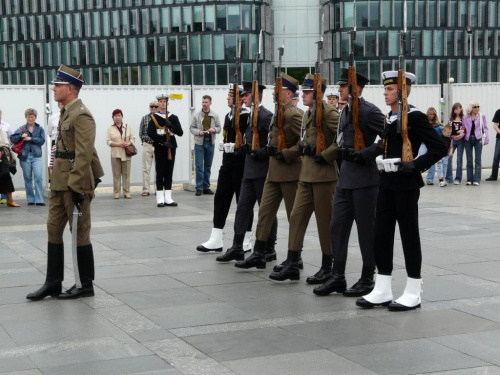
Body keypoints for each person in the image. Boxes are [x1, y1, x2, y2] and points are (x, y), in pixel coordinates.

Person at [356, 71, 447, 311]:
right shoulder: (390, 117)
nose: (385, 93)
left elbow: (439, 147)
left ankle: (414, 289)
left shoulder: (414, 116)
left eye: (390, 89)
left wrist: (415, 165)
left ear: (403, 91)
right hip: (386, 182)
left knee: (409, 236)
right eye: (385, 89)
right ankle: (383, 287)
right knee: (381, 235)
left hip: (406, 184)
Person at [26, 64, 103, 300]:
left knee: (79, 232)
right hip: (60, 181)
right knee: (53, 229)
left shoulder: (81, 114)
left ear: (71, 88)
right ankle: (53, 282)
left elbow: (84, 152)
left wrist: (79, 185)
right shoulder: (66, 112)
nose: (54, 88)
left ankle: (85, 284)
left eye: (58, 85)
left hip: (73, 182)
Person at [313, 68, 385, 297]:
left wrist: (369, 152)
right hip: (345, 178)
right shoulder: (344, 112)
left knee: (366, 231)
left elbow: (389, 137)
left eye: (344, 86)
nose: (339, 89)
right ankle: (337, 276)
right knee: (337, 227)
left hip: (364, 180)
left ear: (356, 88)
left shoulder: (369, 111)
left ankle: (367, 277)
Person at [269, 74, 339, 282]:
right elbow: (303, 141)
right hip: (306, 175)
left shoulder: (329, 112)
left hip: (323, 177)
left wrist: (326, 155)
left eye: (308, 92)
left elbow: (344, 138)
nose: (304, 95)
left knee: (324, 224)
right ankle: (292, 262)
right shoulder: (309, 113)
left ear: (318, 93)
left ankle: (328, 265)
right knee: (296, 218)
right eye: (305, 91)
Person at [234, 73, 302, 269]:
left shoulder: (294, 114)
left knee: (294, 217)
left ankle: (295, 258)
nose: (273, 93)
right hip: (273, 172)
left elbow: (303, 142)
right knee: (264, 213)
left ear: (288, 94)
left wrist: (285, 153)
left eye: (278, 90)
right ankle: (258, 252)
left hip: (289, 173)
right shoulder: (279, 111)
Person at [214, 81, 276, 262]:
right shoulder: (249, 116)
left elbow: (271, 144)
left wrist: (258, 151)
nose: (243, 98)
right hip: (248, 171)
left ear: (255, 96)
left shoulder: (265, 116)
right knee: (242, 210)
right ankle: (237, 247)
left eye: (246, 95)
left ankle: (269, 248)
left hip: (261, 171)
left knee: (266, 211)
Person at [196, 85, 255, 253]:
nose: (228, 99)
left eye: (231, 96)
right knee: (220, 199)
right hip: (227, 163)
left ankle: (246, 238)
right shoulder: (229, 116)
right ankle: (216, 238)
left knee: (243, 203)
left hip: (241, 164)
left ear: (240, 99)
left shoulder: (245, 116)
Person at [147, 94, 184, 207]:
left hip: (171, 147)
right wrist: (162, 142)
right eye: (161, 101)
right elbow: (150, 132)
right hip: (160, 147)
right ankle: (160, 198)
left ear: (168, 103)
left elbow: (180, 132)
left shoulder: (173, 117)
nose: (163, 103)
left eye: (164, 101)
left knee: (169, 171)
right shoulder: (154, 117)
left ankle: (168, 197)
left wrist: (171, 125)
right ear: (158, 103)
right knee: (160, 171)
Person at [10, 109, 46, 206]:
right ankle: (30, 199)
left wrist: (31, 138)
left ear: (35, 118)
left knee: (38, 177)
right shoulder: (21, 128)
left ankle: (39, 199)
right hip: (25, 156)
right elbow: (12, 138)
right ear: (26, 117)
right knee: (28, 178)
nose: (30, 118)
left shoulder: (40, 128)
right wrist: (21, 136)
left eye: (32, 117)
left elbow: (42, 141)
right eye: (28, 117)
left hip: (36, 156)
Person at [190, 95, 221, 196]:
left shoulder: (215, 115)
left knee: (208, 166)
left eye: (206, 102)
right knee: (199, 166)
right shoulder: (197, 115)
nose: (204, 104)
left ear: (210, 103)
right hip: (199, 143)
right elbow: (191, 128)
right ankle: (199, 187)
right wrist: (199, 132)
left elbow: (219, 128)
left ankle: (206, 186)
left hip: (210, 142)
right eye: (203, 102)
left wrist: (214, 130)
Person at [106, 109, 136, 199]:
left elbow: (133, 138)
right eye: (115, 116)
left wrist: (129, 143)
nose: (117, 117)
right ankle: (117, 192)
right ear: (113, 118)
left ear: (122, 116)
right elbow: (108, 141)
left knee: (126, 174)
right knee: (116, 174)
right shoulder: (110, 128)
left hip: (126, 153)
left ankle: (127, 192)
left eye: (119, 115)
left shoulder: (128, 126)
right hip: (115, 154)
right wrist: (118, 144)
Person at [463, 102, 489, 185]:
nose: (477, 108)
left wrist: (487, 138)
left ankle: (476, 179)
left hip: (478, 139)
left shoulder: (482, 116)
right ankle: (469, 179)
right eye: (475, 107)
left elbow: (485, 127)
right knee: (469, 160)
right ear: (471, 108)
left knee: (478, 160)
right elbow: (463, 129)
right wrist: (460, 135)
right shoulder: (465, 117)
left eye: (478, 107)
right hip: (468, 139)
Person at [419, 107, 442, 185]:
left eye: (433, 114)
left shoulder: (438, 125)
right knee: (421, 159)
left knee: (431, 162)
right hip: (423, 144)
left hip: (432, 145)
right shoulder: (424, 123)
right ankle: (419, 177)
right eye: (430, 114)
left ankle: (430, 179)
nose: (432, 116)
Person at [139, 101, 158, 196]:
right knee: (146, 168)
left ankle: (157, 188)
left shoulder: (161, 118)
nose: (153, 108)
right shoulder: (145, 118)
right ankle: (146, 189)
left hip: (158, 145)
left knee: (158, 168)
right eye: (152, 107)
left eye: (155, 107)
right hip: (147, 144)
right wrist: (144, 142)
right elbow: (140, 132)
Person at [445, 103, 465, 184]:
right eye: (456, 109)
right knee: (449, 158)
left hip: (461, 140)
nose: (457, 110)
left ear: (461, 109)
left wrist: (461, 133)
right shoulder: (450, 120)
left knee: (459, 160)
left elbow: (466, 129)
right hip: (452, 140)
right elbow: (447, 129)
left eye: (459, 108)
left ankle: (458, 178)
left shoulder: (464, 119)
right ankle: (449, 178)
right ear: (453, 110)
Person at [0, 128, 20, 207]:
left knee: (6, 177)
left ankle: (10, 200)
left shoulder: (1, 130)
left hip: (2, 155)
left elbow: (6, 143)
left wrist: (2, 151)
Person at [0, 109, 13, 204]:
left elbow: (9, 140)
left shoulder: (5, 127)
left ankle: (6, 198)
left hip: (3, 155)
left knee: (5, 176)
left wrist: (5, 151)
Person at [486, 108, 500, 181]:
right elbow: (495, 125)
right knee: (496, 156)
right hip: (499, 138)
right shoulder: (498, 111)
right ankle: (494, 175)